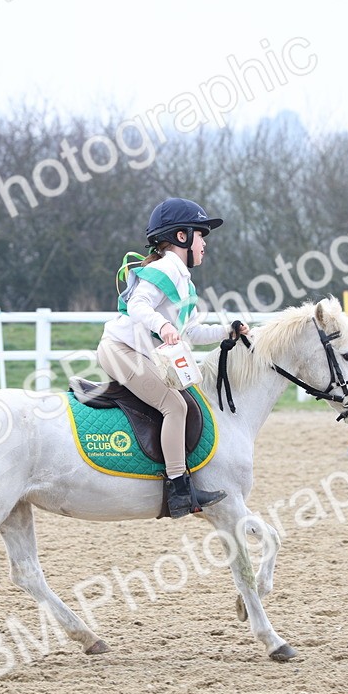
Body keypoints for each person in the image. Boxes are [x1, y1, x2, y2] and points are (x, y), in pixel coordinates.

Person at [97, 197, 250, 519]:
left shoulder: (183, 278)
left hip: (139, 354)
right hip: (122, 351)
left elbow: (191, 332)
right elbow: (139, 305)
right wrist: (163, 324)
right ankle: (179, 488)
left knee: (183, 400)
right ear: (182, 236)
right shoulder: (165, 267)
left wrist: (227, 331)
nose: (205, 242)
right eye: (201, 234)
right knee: (175, 405)